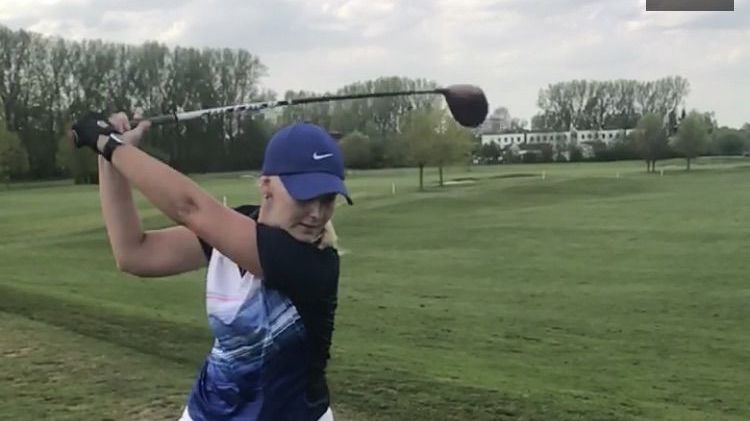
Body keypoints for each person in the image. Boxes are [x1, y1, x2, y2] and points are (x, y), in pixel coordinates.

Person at [71, 110, 352, 421]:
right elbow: (134, 253)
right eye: (305, 196)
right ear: (266, 185)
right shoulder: (238, 226)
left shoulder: (312, 262)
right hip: (207, 411)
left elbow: (189, 207)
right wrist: (107, 156)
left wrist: (109, 143)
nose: (316, 214)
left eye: (327, 199)